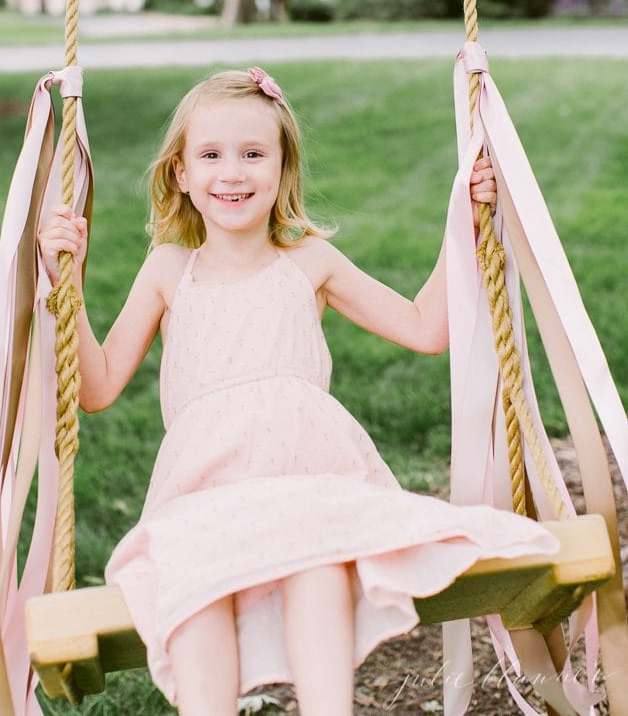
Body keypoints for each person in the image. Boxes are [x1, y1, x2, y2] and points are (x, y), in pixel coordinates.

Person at [38, 67, 556, 716]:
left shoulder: (310, 260)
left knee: (319, 565)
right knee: (197, 596)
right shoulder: (169, 271)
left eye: (254, 154)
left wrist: (469, 221)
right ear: (181, 173)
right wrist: (67, 283)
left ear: (283, 169)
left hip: (313, 477)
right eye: (211, 155)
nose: (232, 172)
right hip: (207, 491)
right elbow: (98, 385)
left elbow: (425, 329)